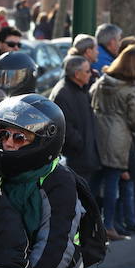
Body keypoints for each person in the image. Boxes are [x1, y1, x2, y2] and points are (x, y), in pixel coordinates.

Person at [90, 44, 135, 240]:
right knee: (113, 181)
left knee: (95, 182)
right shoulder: (134, 89)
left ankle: (89, 223)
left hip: (97, 132)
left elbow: (91, 98)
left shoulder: (103, 81)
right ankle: (108, 225)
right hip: (118, 136)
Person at [50, 56, 101, 184]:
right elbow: (65, 128)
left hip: (85, 158)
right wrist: (80, 144)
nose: (91, 74)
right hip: (76, 160)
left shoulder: (80, 89)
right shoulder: (63, 93)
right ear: (77, 74)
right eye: (88, 71)